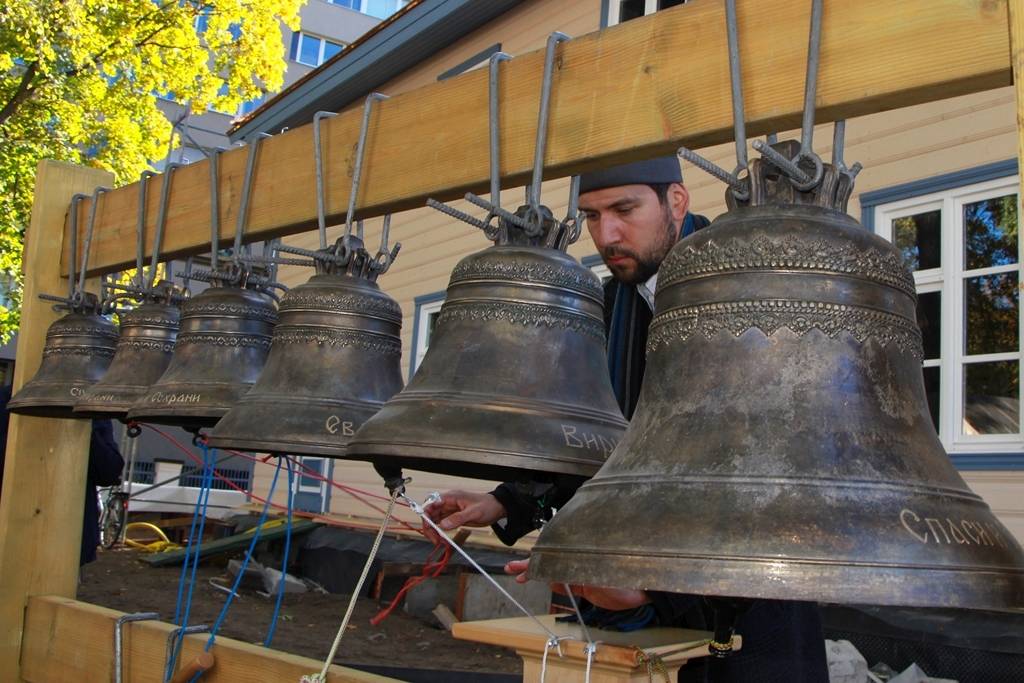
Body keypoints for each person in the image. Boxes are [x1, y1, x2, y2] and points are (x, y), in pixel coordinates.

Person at [424, 157, 829, 681]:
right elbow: (593, 435)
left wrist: (650, 586)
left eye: (624, 209)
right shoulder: (609, 304)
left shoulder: (746, 285)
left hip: (750, 601)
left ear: (676, 202)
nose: (606, 234)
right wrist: (502, 501)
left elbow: (773, 470)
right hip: (626, 601)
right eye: (591, 216)